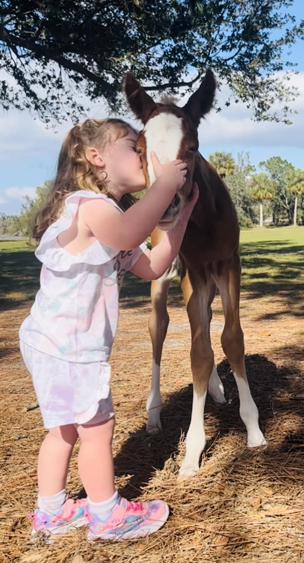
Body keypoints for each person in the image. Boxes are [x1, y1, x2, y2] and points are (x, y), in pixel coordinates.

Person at [19, 118, 198, 542]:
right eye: (132, 147)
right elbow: (133, 229)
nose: (142, 154)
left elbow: (154, 265)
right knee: (99, 428)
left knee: (62, 429)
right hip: (70, 346)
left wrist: (183, 214)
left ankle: (52, 511)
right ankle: (106, 514)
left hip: (52, 341)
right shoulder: (91, 207)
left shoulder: (112, 218)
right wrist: (166, 185)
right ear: (97, 158)